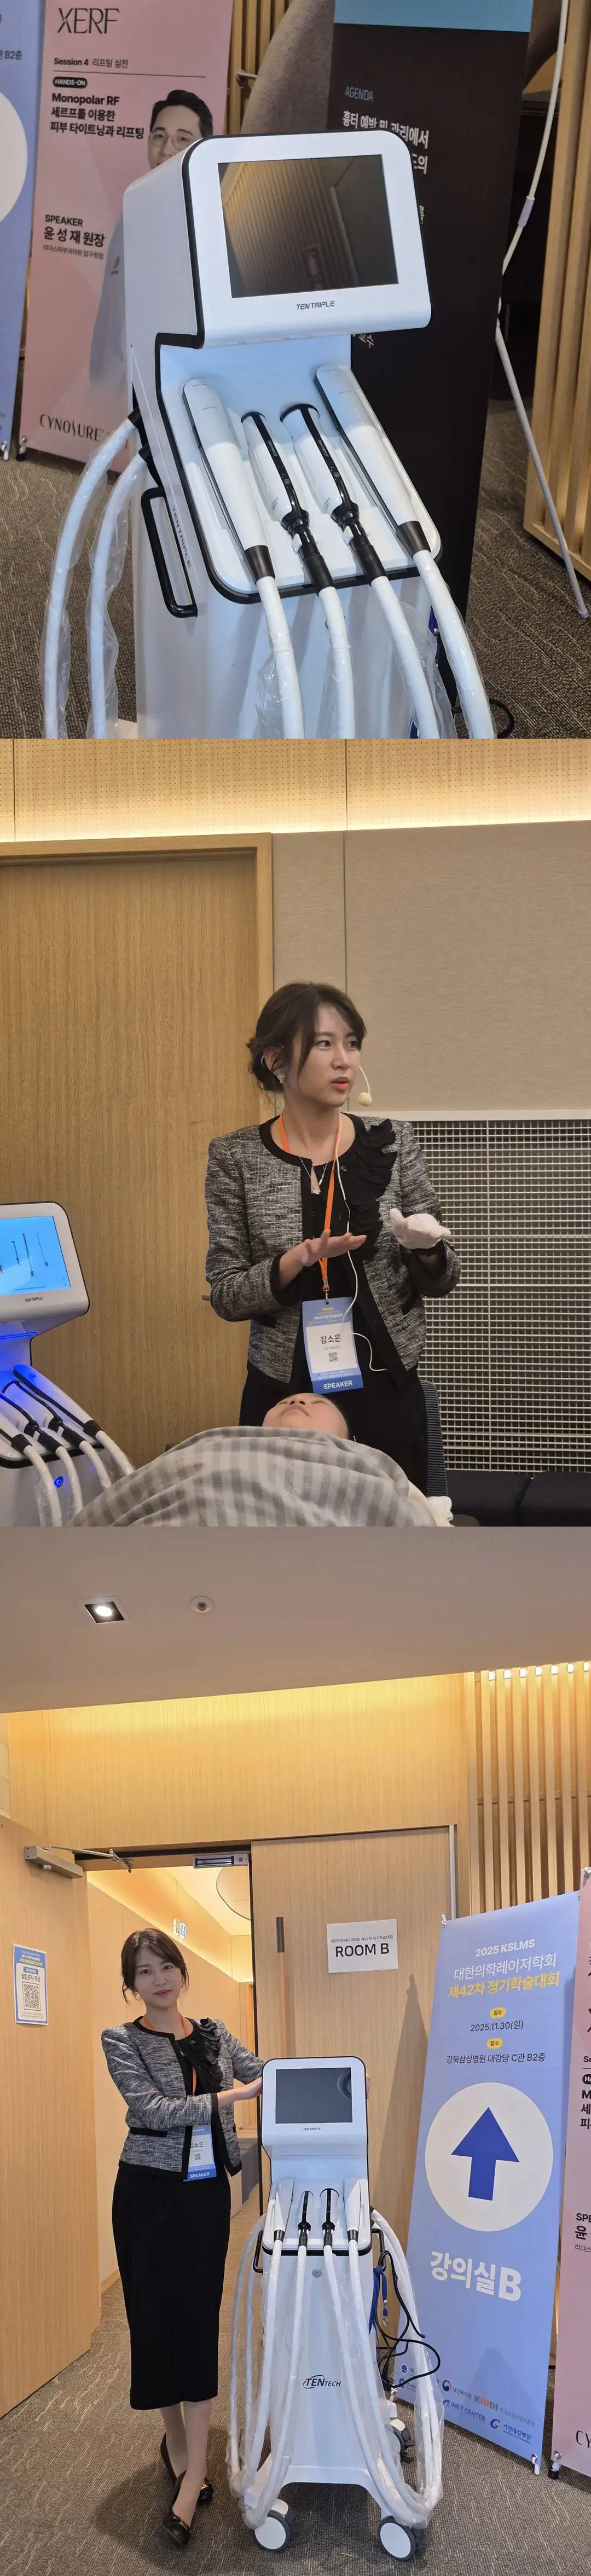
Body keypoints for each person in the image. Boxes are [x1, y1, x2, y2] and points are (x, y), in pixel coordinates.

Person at [205, 980, 460, 1489]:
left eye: (352, 1043)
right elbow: (226, 1295)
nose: (344, 1060)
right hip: (287, 1391)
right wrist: (294, 1261)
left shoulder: (393, 1141)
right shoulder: (236, 1157)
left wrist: (426, 1248)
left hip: (386, 1381)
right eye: (324, 1044)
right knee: (286, 1524)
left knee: (391, 1522)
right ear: (277, 1061)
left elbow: (444, 1278)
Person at [102, 1928, 262, 2548]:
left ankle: (194, 2473)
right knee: (153, 2320)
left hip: (202, 2197)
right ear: (132, 1984)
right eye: (145, 1971)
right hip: (145, 2195)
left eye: (166, 1966)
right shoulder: (121, 2040)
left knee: (195, 2322)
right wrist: (229, 2097)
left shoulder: (216, 2034)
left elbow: (264, 2074)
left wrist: (327, 2079)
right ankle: (174, 2441)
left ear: (181, 1971)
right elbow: (151, 2110)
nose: (159, 1979)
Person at [73, 1399, 451, 1526]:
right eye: (285, 1402)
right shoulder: (210, 1447)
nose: (298, 1402)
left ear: (350, 1442)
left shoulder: (365, 1464)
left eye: (318, 1403)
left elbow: (417, 1532)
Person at [89, 92, 213, 400]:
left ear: (202, 146)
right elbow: (110, 309)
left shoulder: (209, 219)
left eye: (182, 139)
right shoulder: (132, 207)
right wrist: (99, 378)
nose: (166, 148)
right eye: (159, 136)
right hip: (119, 385)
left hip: (179, 388)